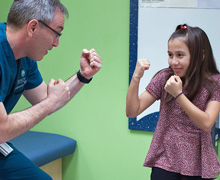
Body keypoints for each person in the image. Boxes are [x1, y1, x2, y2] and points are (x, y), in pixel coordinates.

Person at [0, 0, 102, 179]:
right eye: (56, 34)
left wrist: (82, 76)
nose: (56, 44)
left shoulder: (24, 57)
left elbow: (45, 99)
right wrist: (50, 103)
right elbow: (2, 129)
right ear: (32, 28)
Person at [126, 24, 220, 180]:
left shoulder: (214, 83)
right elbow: (132, 111)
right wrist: (136, 77)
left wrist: (179, 95)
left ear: (201, 55)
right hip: (165, 159)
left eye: (180, 55)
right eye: (170, 54)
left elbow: (207, 123)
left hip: (199, 163)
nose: (173, 62)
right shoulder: (164, 77)